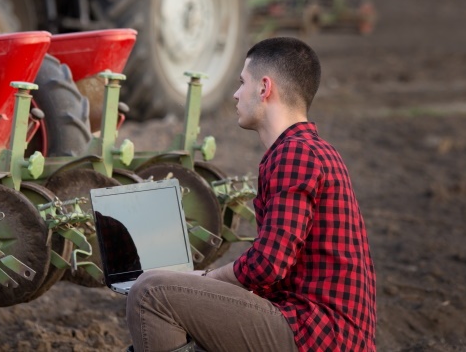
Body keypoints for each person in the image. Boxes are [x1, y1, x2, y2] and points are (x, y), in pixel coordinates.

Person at [126, 37, 377, 352]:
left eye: (242, 82)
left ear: (264, 88)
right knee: (179, 302)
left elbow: (268, 264)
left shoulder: (296, 153)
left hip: (316, 332)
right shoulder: (310, 150)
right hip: (312, 328)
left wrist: (205, 278)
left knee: (151, 292)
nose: (235, 93)